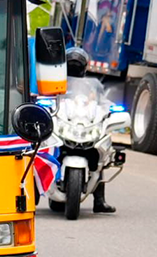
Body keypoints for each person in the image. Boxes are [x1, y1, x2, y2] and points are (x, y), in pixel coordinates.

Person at [65, 46, 116, 213]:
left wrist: (113, 111)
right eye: (72, 64)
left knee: (100, 156)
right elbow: (46, 99)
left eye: (77, 64)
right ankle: (33, 193)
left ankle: (99, 201)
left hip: (85, 125)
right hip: (64, 125)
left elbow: (103, 103)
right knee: (39, 150)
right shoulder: (57, 83)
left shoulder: (92, 85)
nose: (74, 67)